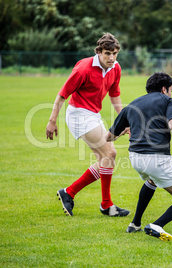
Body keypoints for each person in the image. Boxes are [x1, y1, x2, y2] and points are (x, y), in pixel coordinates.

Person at [46, 33, 129, 217]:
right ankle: (106, 204)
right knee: (110, 153)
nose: (112, 57)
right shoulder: (84, 68)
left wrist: (125, 120)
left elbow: (114, 95)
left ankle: (69, 192)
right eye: (107, 53)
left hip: (93, 114)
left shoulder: (115, 68)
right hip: (78, 114)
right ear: (98, 52)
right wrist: (52, 121)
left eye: (115, 53)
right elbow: (62, 95)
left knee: (105, 160)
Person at [106, 72, 172, 241]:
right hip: (157, 158)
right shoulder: (168, 101)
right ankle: (157, 225)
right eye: (171, 89)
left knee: (152, 180)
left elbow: (108, 137)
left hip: (135, 158)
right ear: (164, 89)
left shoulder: (131, 105)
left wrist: (125, 129)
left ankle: (135, 223)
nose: (171, 93)